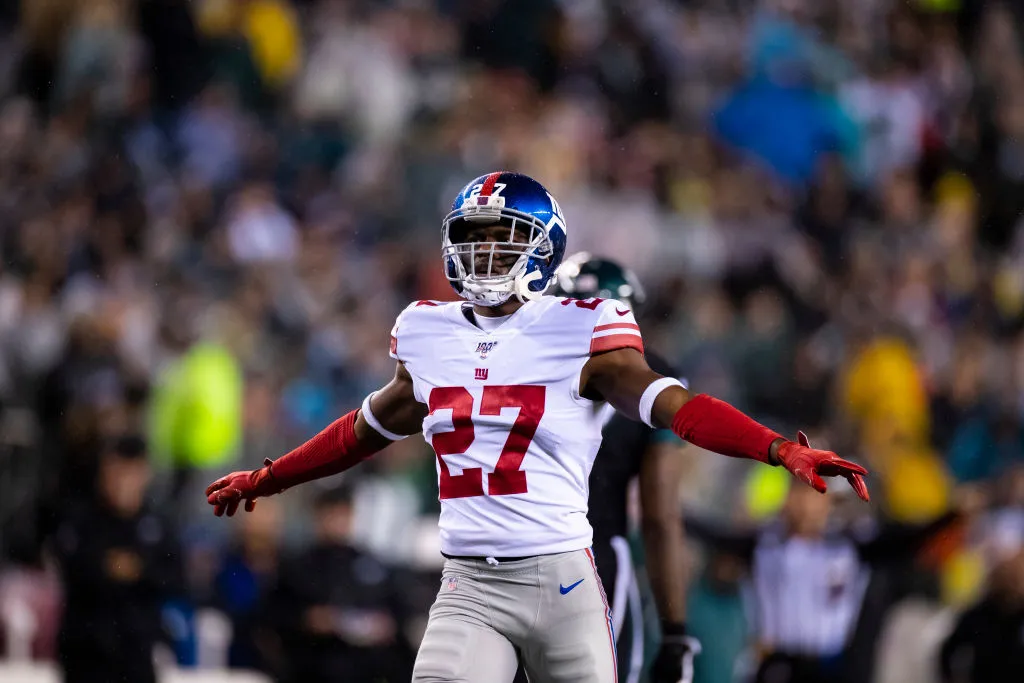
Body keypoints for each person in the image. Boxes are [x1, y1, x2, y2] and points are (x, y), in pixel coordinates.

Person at [205, 171, 870, 683]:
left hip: (563, 584)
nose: (484, 253)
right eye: (473, 239)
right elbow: (360, 431)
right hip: (469, 585)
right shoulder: (427, 331)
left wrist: (776, 449)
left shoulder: (583, 328)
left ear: (543, 248)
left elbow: (680, 409)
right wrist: (269, 476)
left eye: (502, 239)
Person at [550, 252, 700, 683]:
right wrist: (675, 631)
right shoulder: (654, 375)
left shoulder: (520, 361)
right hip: (593, 556)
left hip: (508, 550)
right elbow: (660, 516)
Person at [686, 478, 965, 683]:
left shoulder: (848, 546)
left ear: (828, 502)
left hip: (828, 666)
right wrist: (672, 512)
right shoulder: (765, 544)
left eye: (812, 495)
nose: (803, 503)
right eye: (797, 493)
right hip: (776, 661)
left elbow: (907, 540)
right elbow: (714, 535)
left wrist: (952, 514)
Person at [53, 434, 183, 683]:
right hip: (86, 653)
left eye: (131, 472)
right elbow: (70, 567)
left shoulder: (157, 524)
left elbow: (174, 578)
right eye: (117, 471)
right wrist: (108, 568)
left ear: (145, 474)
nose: (123, 481)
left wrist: (137, 570)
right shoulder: (81, 519)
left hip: (136, 652)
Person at [269, 485, 413, 683]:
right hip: (315, 665)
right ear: (318, 517)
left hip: (368, 665)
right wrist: (308, 620)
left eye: (344, 513)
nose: (338, 521)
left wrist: (386, 624)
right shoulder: (296, 566)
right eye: (332, 514)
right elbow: (275, 617)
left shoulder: (370, 563)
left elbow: (398, 611)